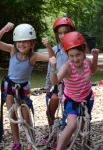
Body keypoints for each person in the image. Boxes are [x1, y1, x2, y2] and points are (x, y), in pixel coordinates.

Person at [0, 22, 52, 150]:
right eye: (19, 41)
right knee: (12, 115)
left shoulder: (33, 56)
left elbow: (51, 58)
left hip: (23, 89)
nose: (21, 44)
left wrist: (48, 46)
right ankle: (16, 142)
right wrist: (4, 29)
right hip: (9, 87)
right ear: (15, 43)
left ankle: (30, 142)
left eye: (25, 41)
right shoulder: (13, 50)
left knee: (26, 117)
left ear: (32, 43)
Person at [49, 31, 99, 150]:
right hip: (72, 100)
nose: (75, 59)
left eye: (78, 55)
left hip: (87, 98)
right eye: (71, 56)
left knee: (83, 126)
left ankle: (85, 146)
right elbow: (55, 81)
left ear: (84, 52)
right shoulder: (67, 67)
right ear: (67, 55)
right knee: (72, 125)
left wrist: (95, 57)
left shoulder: (86, 61)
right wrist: (53, 68)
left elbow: (92, 70)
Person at [41, 17, 75, 146]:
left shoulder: (74, 49)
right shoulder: (55, 50)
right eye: (60, 33)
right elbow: (50, 68)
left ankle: (66, 137)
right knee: (50, 111)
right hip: (57, 86)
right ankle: (52, 134)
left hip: (71, 87)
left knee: (68, 113)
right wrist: (48, 86)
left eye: (65, 32)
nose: (62, 36)